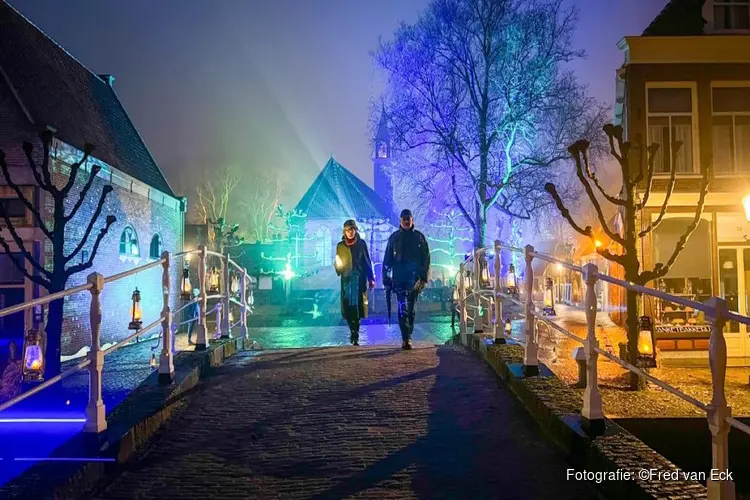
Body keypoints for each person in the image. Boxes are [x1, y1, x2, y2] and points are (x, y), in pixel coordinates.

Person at [383, 209, 430, 350]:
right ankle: (406, 337)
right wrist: (386, 280)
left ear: (412, 220)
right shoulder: (394, 238)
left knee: (411, 309)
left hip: (414, 279)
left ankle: (408, 334)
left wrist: (423, 278)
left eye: (408, 218)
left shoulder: (419, 238)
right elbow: (387, 259)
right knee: (402, 308)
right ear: (400, 221)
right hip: (399, 279)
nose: (406, 221)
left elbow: (426, 259)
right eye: (403, 218)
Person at [334, 220, 375, 346]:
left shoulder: (361, 244)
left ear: (355, 230)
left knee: (357, 306)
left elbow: (366, 261)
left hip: (359, 279)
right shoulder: (340, 246)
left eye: (352, 229)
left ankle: (355, 332)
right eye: (348, 230)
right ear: (344, 231)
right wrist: (338, 266)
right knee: (348, 307)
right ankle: (352, 330)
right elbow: (337, 261)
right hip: (346, 279)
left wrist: (370, 278)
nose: (350, 232)